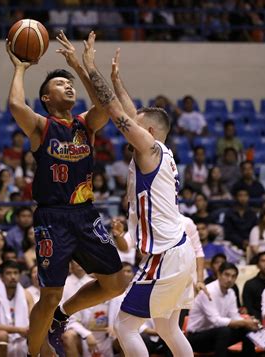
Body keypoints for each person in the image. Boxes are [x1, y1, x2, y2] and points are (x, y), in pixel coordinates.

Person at [6, 31, 126, 357]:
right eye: (60, 84)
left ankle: (63, 316)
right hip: (53, 217)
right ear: (46, 98)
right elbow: (16, 104)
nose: (68, 86)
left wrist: (80, 66)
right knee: (49, 294)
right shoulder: (41, 127)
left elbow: (105, 104)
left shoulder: (85, 125)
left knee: (116, 284)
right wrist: (20, 67)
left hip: (85, 213)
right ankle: (35, 352)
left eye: (69, 83)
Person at [86, 45, 195, 357]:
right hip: (178, 248)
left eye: (138, 123)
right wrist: (117, 80)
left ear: (147, 132)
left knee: (125, 326)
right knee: (167, 328)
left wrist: (91, 69)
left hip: (165, 253)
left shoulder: (147, 148)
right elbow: (130, 114)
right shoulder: (161, 151)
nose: (131, 125)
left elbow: (117, 113)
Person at [186, 262, 258, 356]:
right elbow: (216, 321)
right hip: (196, 338)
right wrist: (244, 322)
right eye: (227, 275)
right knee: (224, 331)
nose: (229, 279)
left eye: (233, 276)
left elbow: (234, 317)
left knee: (247, 330)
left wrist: (248, 322)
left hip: (216, 336)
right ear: (219, 274)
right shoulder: (208, 291)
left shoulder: (231, 292)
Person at [0, 260, 34, 357]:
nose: (13, 277)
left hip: (23, 333)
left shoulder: (27, 294)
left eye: (15, 273)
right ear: (1, 276)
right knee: (1, 335)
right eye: (8, 273)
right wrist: (19, 330)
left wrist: (28, 330)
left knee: (42, 334)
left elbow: (33, 320)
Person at [242, 251, 265, 320]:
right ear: (257, 265)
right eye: (263, 261)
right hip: (256, 320)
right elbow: (248, 307)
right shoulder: (250, 284)